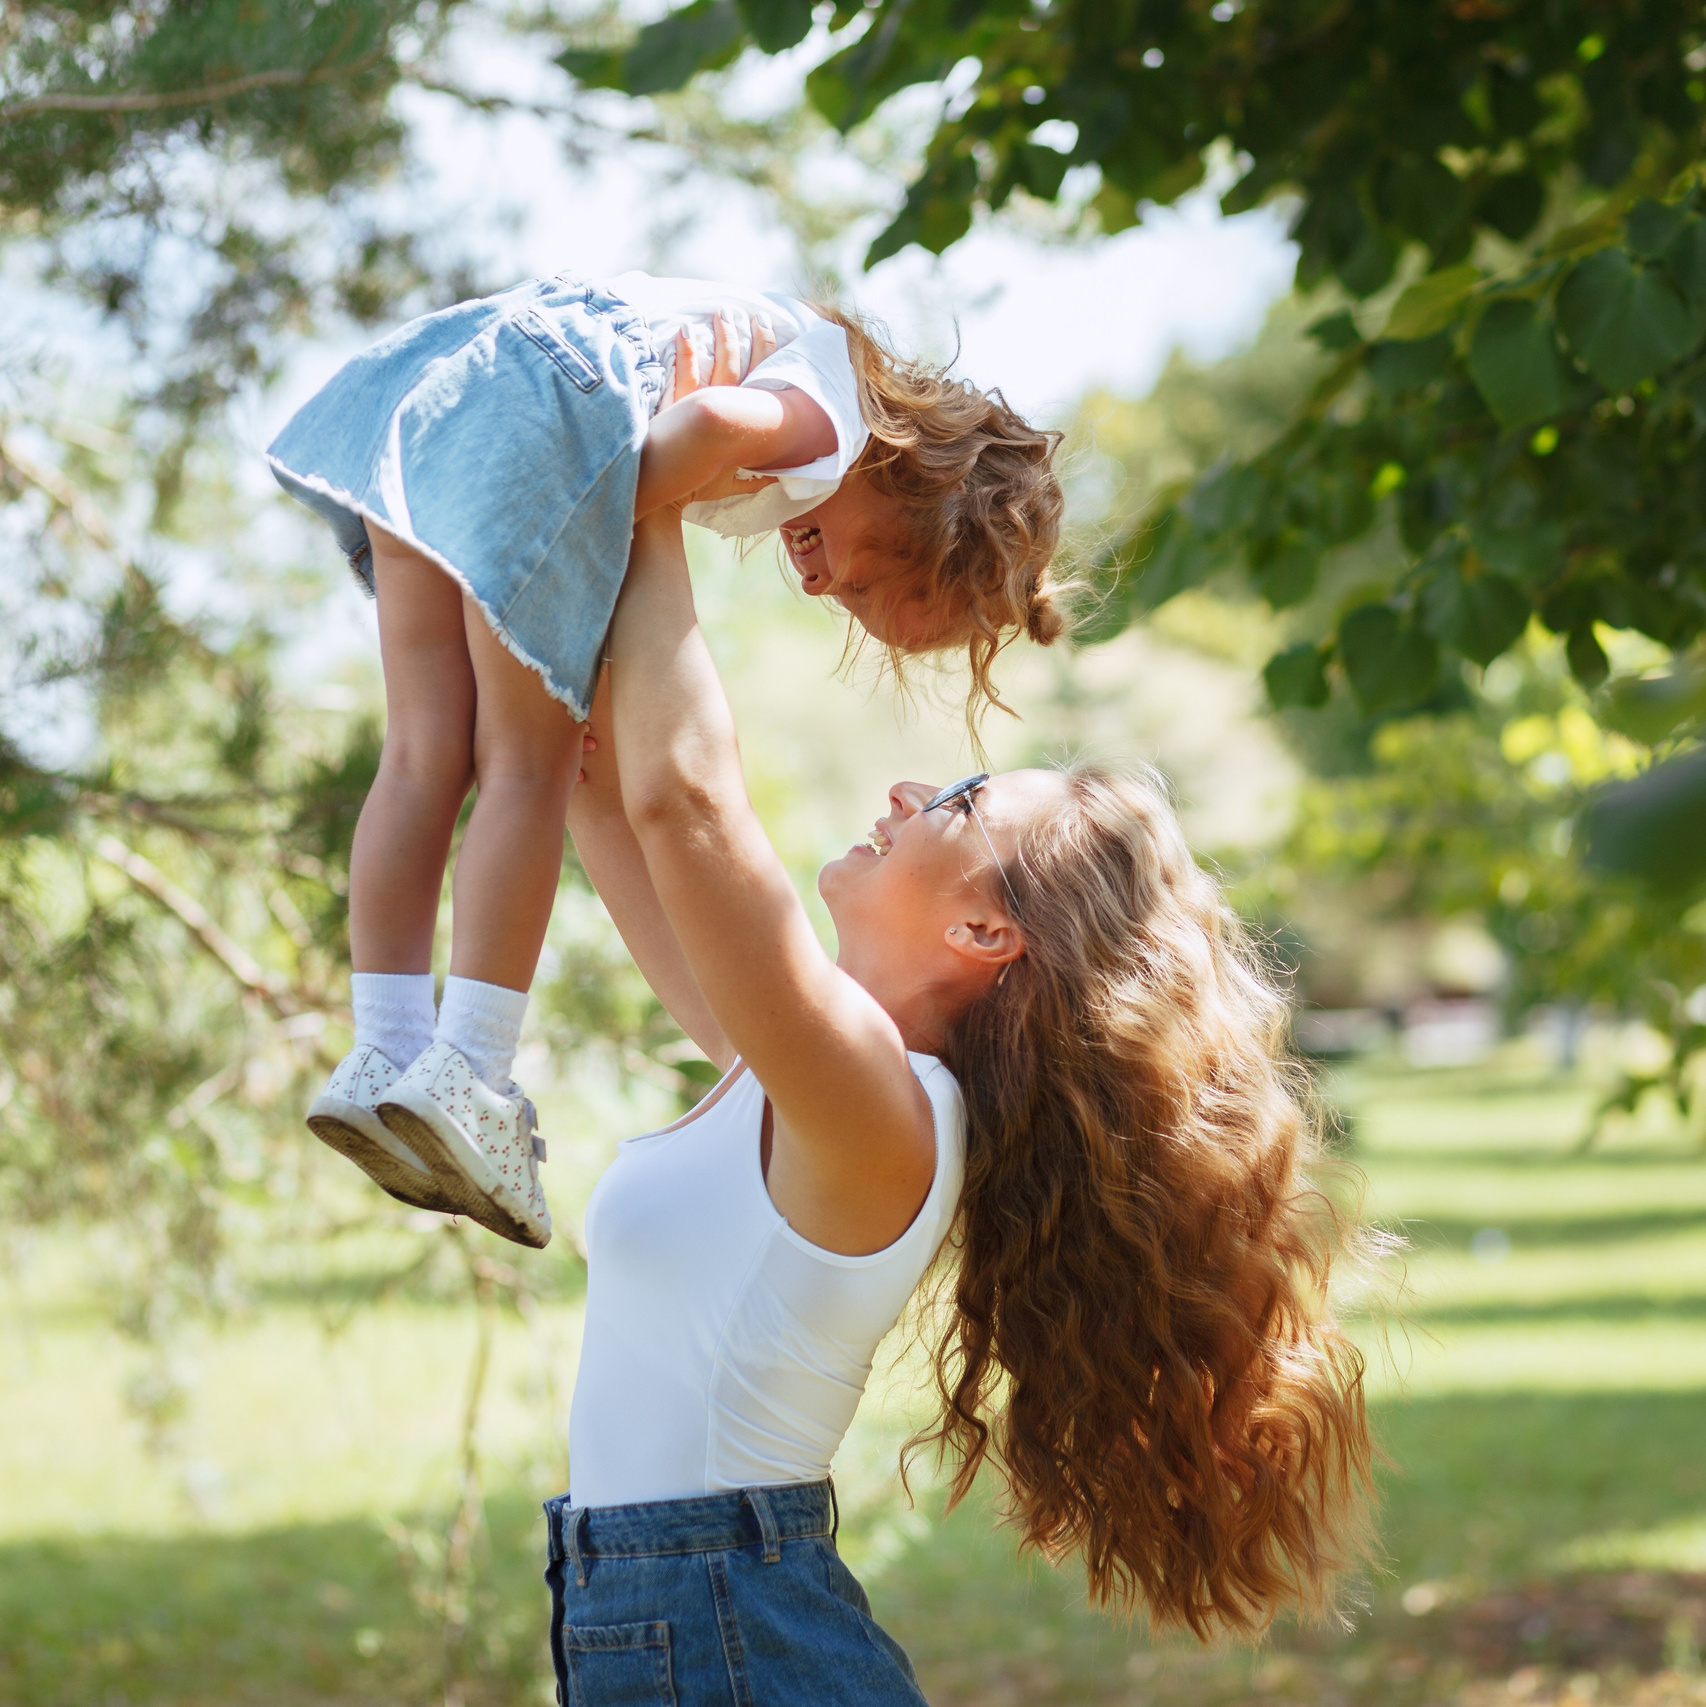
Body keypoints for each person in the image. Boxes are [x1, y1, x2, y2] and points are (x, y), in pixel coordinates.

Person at [539, 505, 1376, 1702]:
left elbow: (687, 807)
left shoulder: (880, 1109)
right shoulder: (807, 1080)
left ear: (987, 931)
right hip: (674, 1610)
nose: (905, 788)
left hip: (716, 1621)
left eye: (964, 797)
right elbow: (608, 798)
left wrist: (651, 507)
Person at [265, 273, 1065, 1248]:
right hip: (539, 417)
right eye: (861, 583)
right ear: (924, 503)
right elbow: (711, 427)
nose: (819, 588)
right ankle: (468, 1067)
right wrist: (568, 546)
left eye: (845, 604)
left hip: (446, 404)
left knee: (424, 753)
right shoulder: (832, 420)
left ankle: (382, 1047)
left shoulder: (819, 399)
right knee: (527, 764)